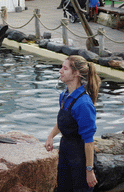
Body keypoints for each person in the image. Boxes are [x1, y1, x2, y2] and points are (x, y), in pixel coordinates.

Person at [44, 55, 101, 192]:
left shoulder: (84, 104)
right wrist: (50, 136)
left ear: (76, 73)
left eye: (65, 68)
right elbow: (63, 122)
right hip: (65, 152)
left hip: (80, 157)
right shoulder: (64, 96)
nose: (60, 71)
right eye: (61, 67)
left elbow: (88, 141)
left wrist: (89, 170)